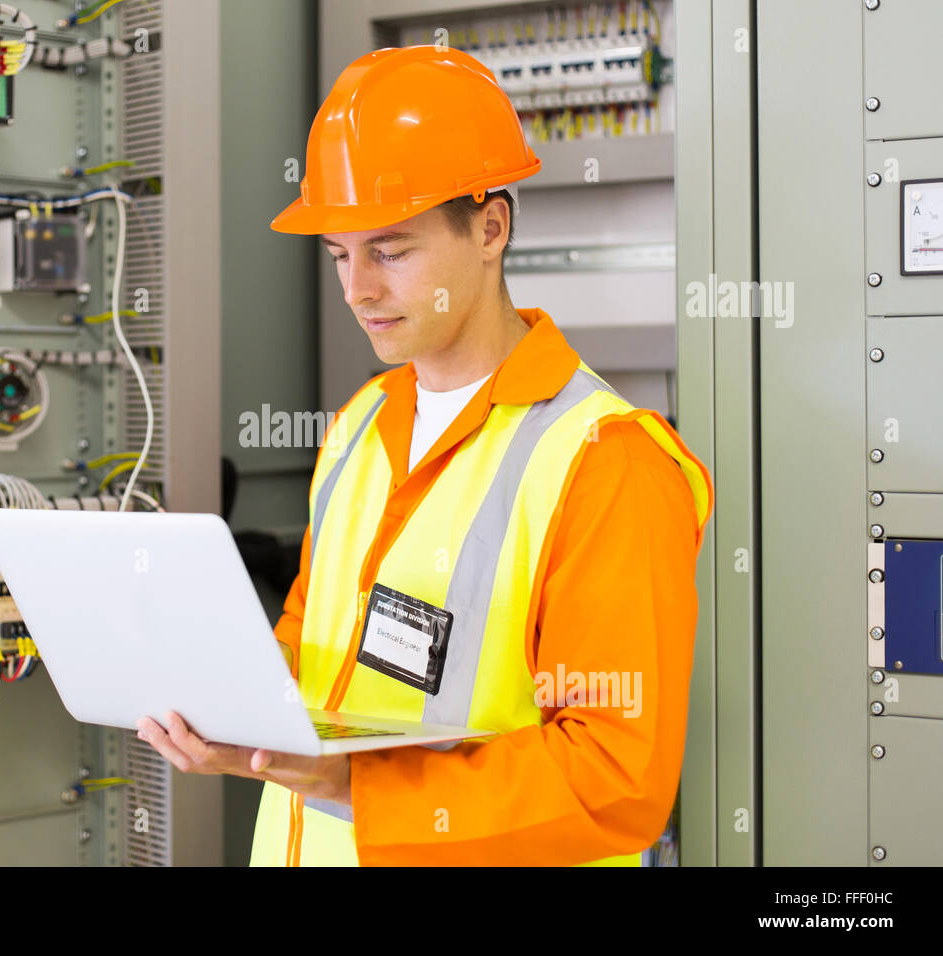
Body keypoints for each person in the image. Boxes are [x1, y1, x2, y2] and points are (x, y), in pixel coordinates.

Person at [135, 44, 714, 866]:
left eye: (391, 250)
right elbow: (313, 640)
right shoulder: (362, 424)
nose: (357, 289)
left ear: (490, 227)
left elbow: (615, 779)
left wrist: (353, 787)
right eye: (339, 254)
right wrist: (225, 704)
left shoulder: (605, 461)